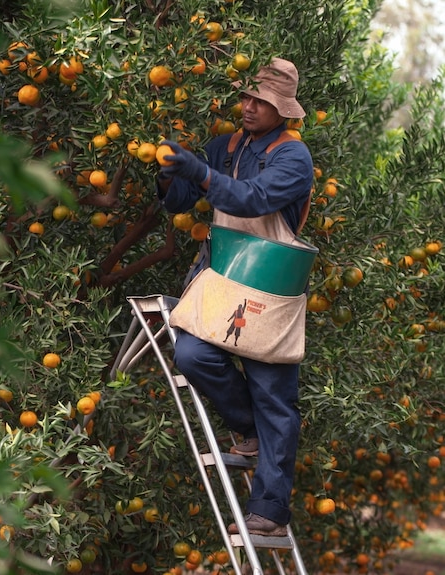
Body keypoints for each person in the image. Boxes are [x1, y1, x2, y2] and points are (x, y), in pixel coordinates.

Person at [158, 58, 314, 537]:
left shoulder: (293, 158)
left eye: (260, 102)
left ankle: (268, 509)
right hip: (223, 274)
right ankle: (247, 429)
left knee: (274, 395)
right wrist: (169, 170)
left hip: (268, 284)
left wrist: (200, 174)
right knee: (191, 353)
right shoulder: (225, 146)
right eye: (246, 98)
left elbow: (248, 199)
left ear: (282, 111)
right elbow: (180, 201)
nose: (247, 107)